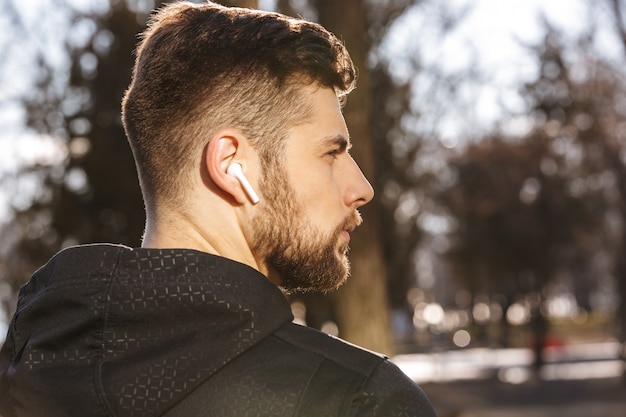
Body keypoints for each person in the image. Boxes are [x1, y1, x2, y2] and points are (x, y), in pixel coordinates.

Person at [0, 2, 437, 416]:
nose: (361, 188)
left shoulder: (22, 377)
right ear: (231, 166)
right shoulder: (359, 400)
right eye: (331, 153)